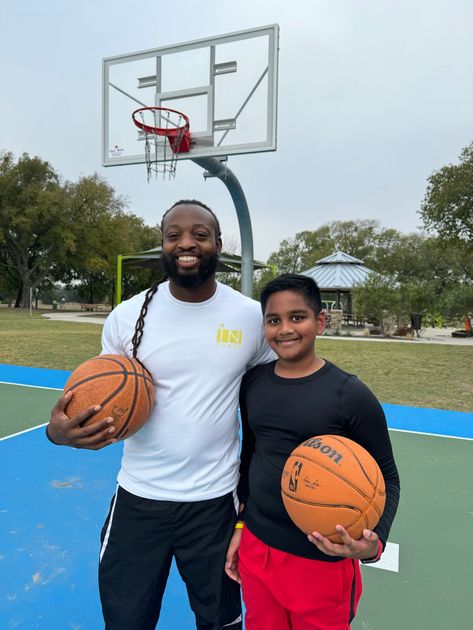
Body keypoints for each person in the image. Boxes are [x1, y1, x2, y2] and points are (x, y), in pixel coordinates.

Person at [46, 200, 274, 630]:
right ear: (163, 245)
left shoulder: (248, 317)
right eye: (174, 235)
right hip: (138, 499)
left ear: (218, 244)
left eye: (199, 235)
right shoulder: (127, 317)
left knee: (222, 620)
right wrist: (60, 432)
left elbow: (268, 404)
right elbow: (97, 398)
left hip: (214, 503)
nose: (186, 243)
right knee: (126, 621)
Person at [225, 274, 400, 630]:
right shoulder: (253, 383)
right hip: (258, 550)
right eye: (274, 320)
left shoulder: (349, 395)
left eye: (297, 317)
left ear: (319, 322)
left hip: (320, 561)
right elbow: (252, 456)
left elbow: (389, 477)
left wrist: (373, 544)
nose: (285, 329)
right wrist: (242, 524)